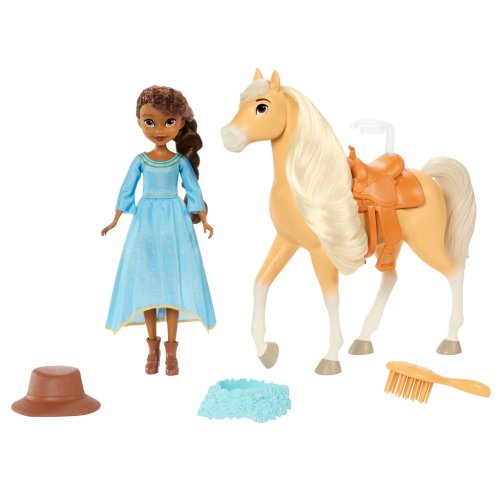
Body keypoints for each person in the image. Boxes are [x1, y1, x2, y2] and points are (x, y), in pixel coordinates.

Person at [102, 86, 216, 376]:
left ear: (181, 123)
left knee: (173, 287)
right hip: (147, 223)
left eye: (169, 122)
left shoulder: (179, 162)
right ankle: (152, 349)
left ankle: (172, 351)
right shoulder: (141, 160)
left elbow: (193, 190)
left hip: (175, 222)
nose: (159, 130)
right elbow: (127, 189)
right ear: (139, 122)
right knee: (148, 285)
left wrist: (203, 218)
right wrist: (116, 218)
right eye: (150, 122)